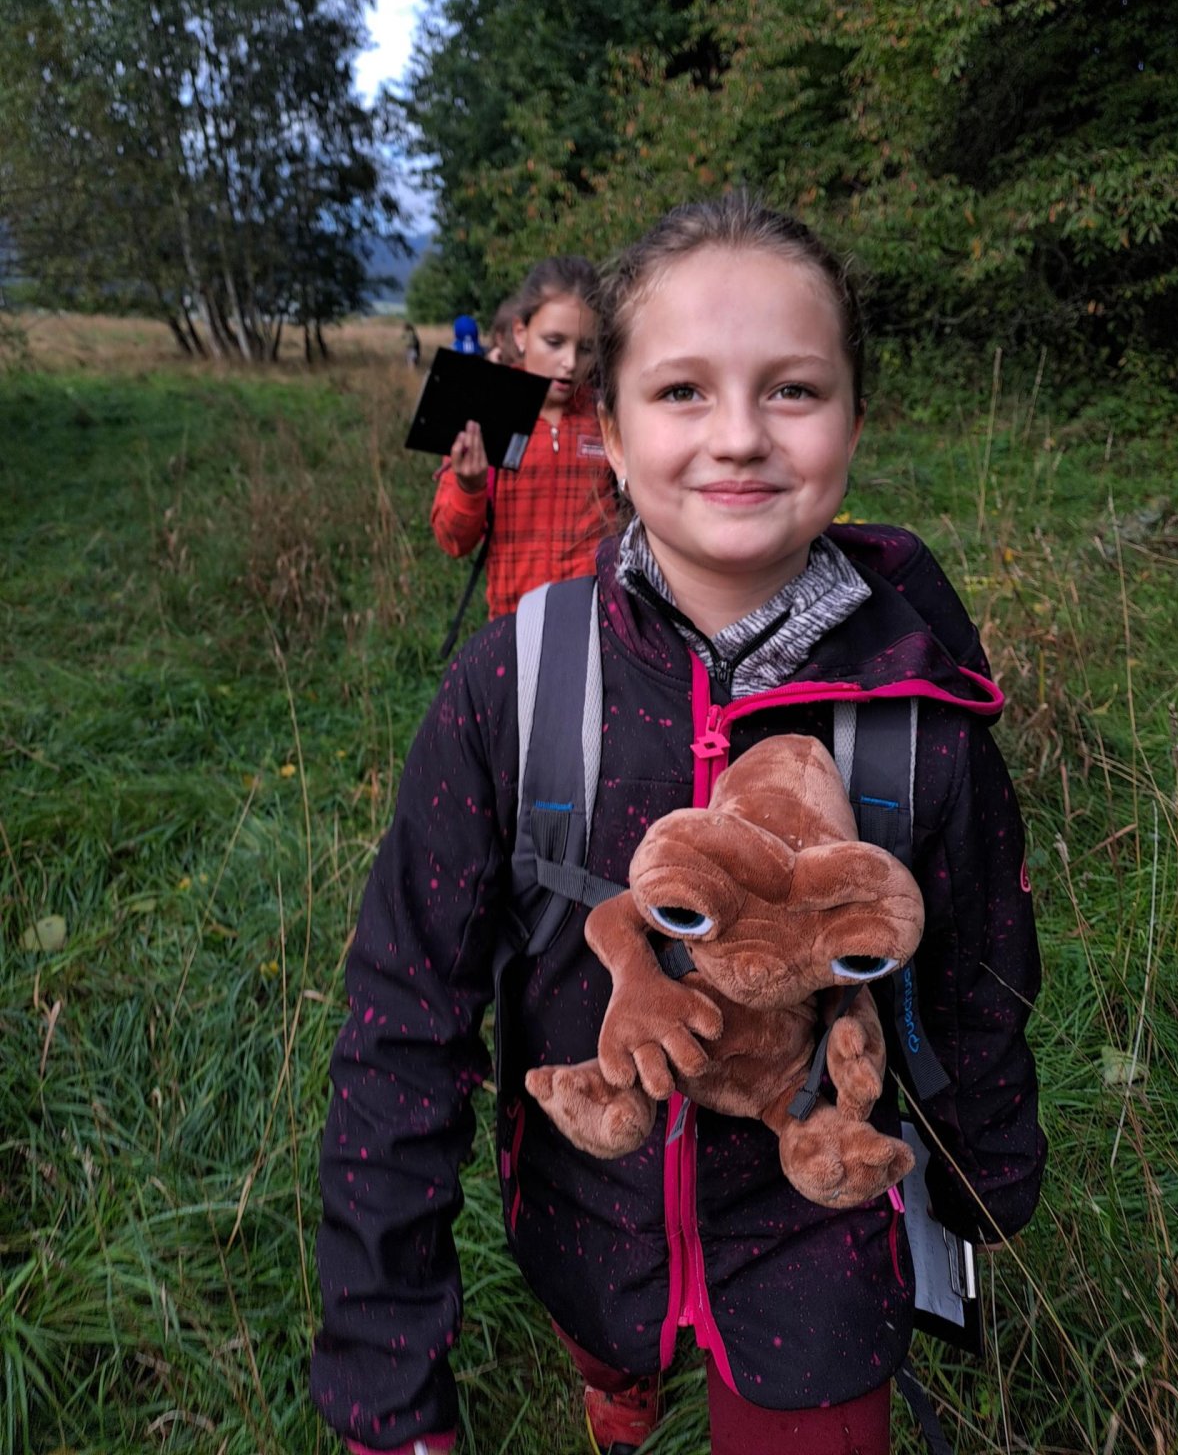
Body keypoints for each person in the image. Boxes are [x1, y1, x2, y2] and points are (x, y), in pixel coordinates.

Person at [311, 195, 1046, 1455]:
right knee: (615, 1350)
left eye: (794, 389)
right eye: (683, 391)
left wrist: (985, 1176)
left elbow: (982, 969)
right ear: (608, 426)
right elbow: (403, 1020)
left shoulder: (922, 706)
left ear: (856, 419)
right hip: (584, 1219)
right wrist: (385, 1379)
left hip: (823, 1246)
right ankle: (623, 1381)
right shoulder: (509, 687)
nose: (740, 434)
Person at [430, 256, 616, 619]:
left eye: (585, 348)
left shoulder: (608, 415)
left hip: (598, 621)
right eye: (554, 342)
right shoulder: (483, 410)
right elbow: (452, 541)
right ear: (520, 333)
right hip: (515, 625)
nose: (570, 362)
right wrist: (469, 486)